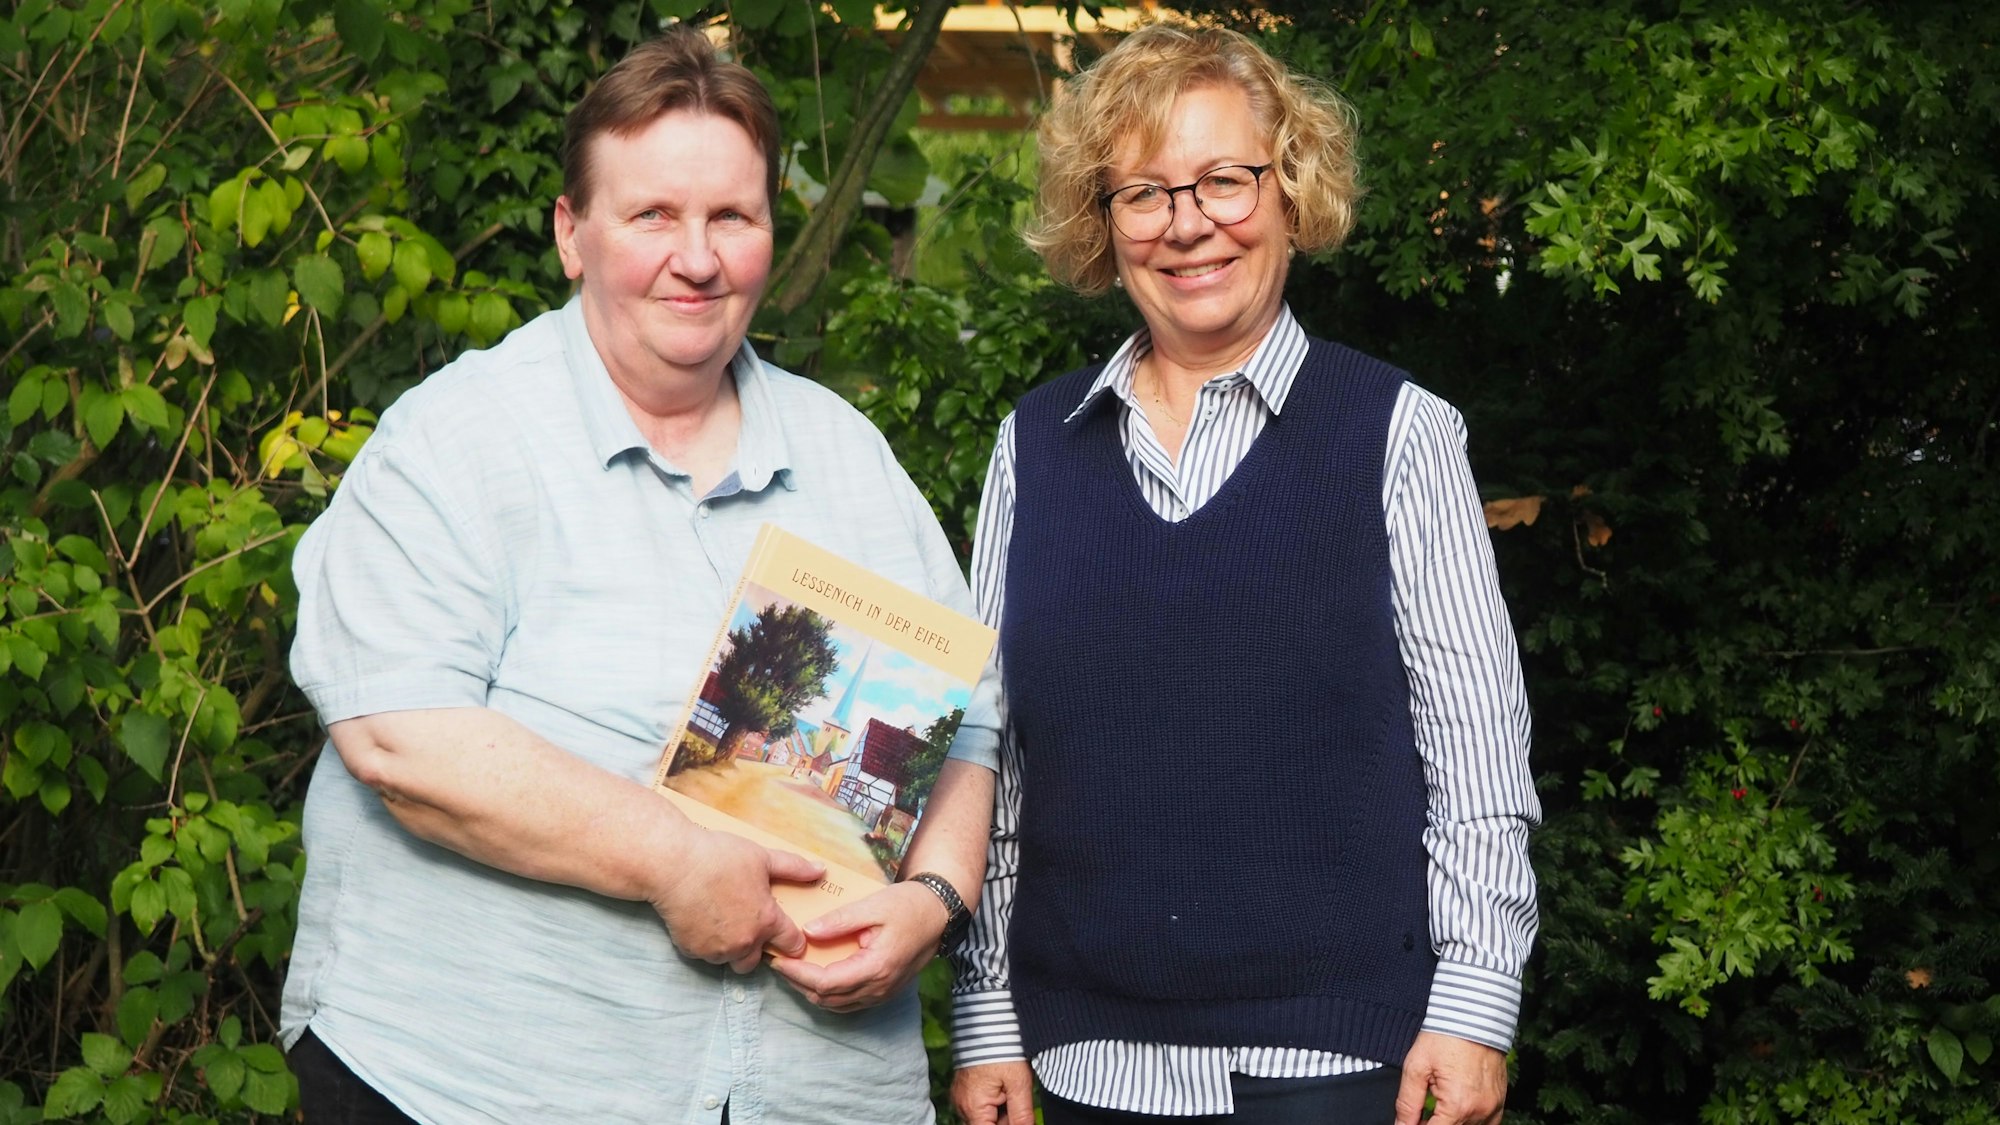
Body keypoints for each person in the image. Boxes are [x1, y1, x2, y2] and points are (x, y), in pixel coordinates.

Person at [282, 29, 995, 1125]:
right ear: (572, 234)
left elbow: (969, 728)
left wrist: (933, 902)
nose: (696, 258)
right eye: (653, 215)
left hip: (808, 1094)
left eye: (732, 218)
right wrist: (674, 862)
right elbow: (398, 736)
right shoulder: (456, 442)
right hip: (472, 1087)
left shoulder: (847, 459)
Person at [948, 24, 1540, 1125]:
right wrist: (984, 1011)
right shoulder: (1030, 447)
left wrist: (1471, 1006)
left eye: (1223, 179)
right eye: (1143, 193)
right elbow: (991, 761)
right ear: (1101, 220)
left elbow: (1475, 758)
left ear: (1289, 190)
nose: (1186, 225)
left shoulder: (1396, 435)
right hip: (1074, 1070)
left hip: (1337, 1070)